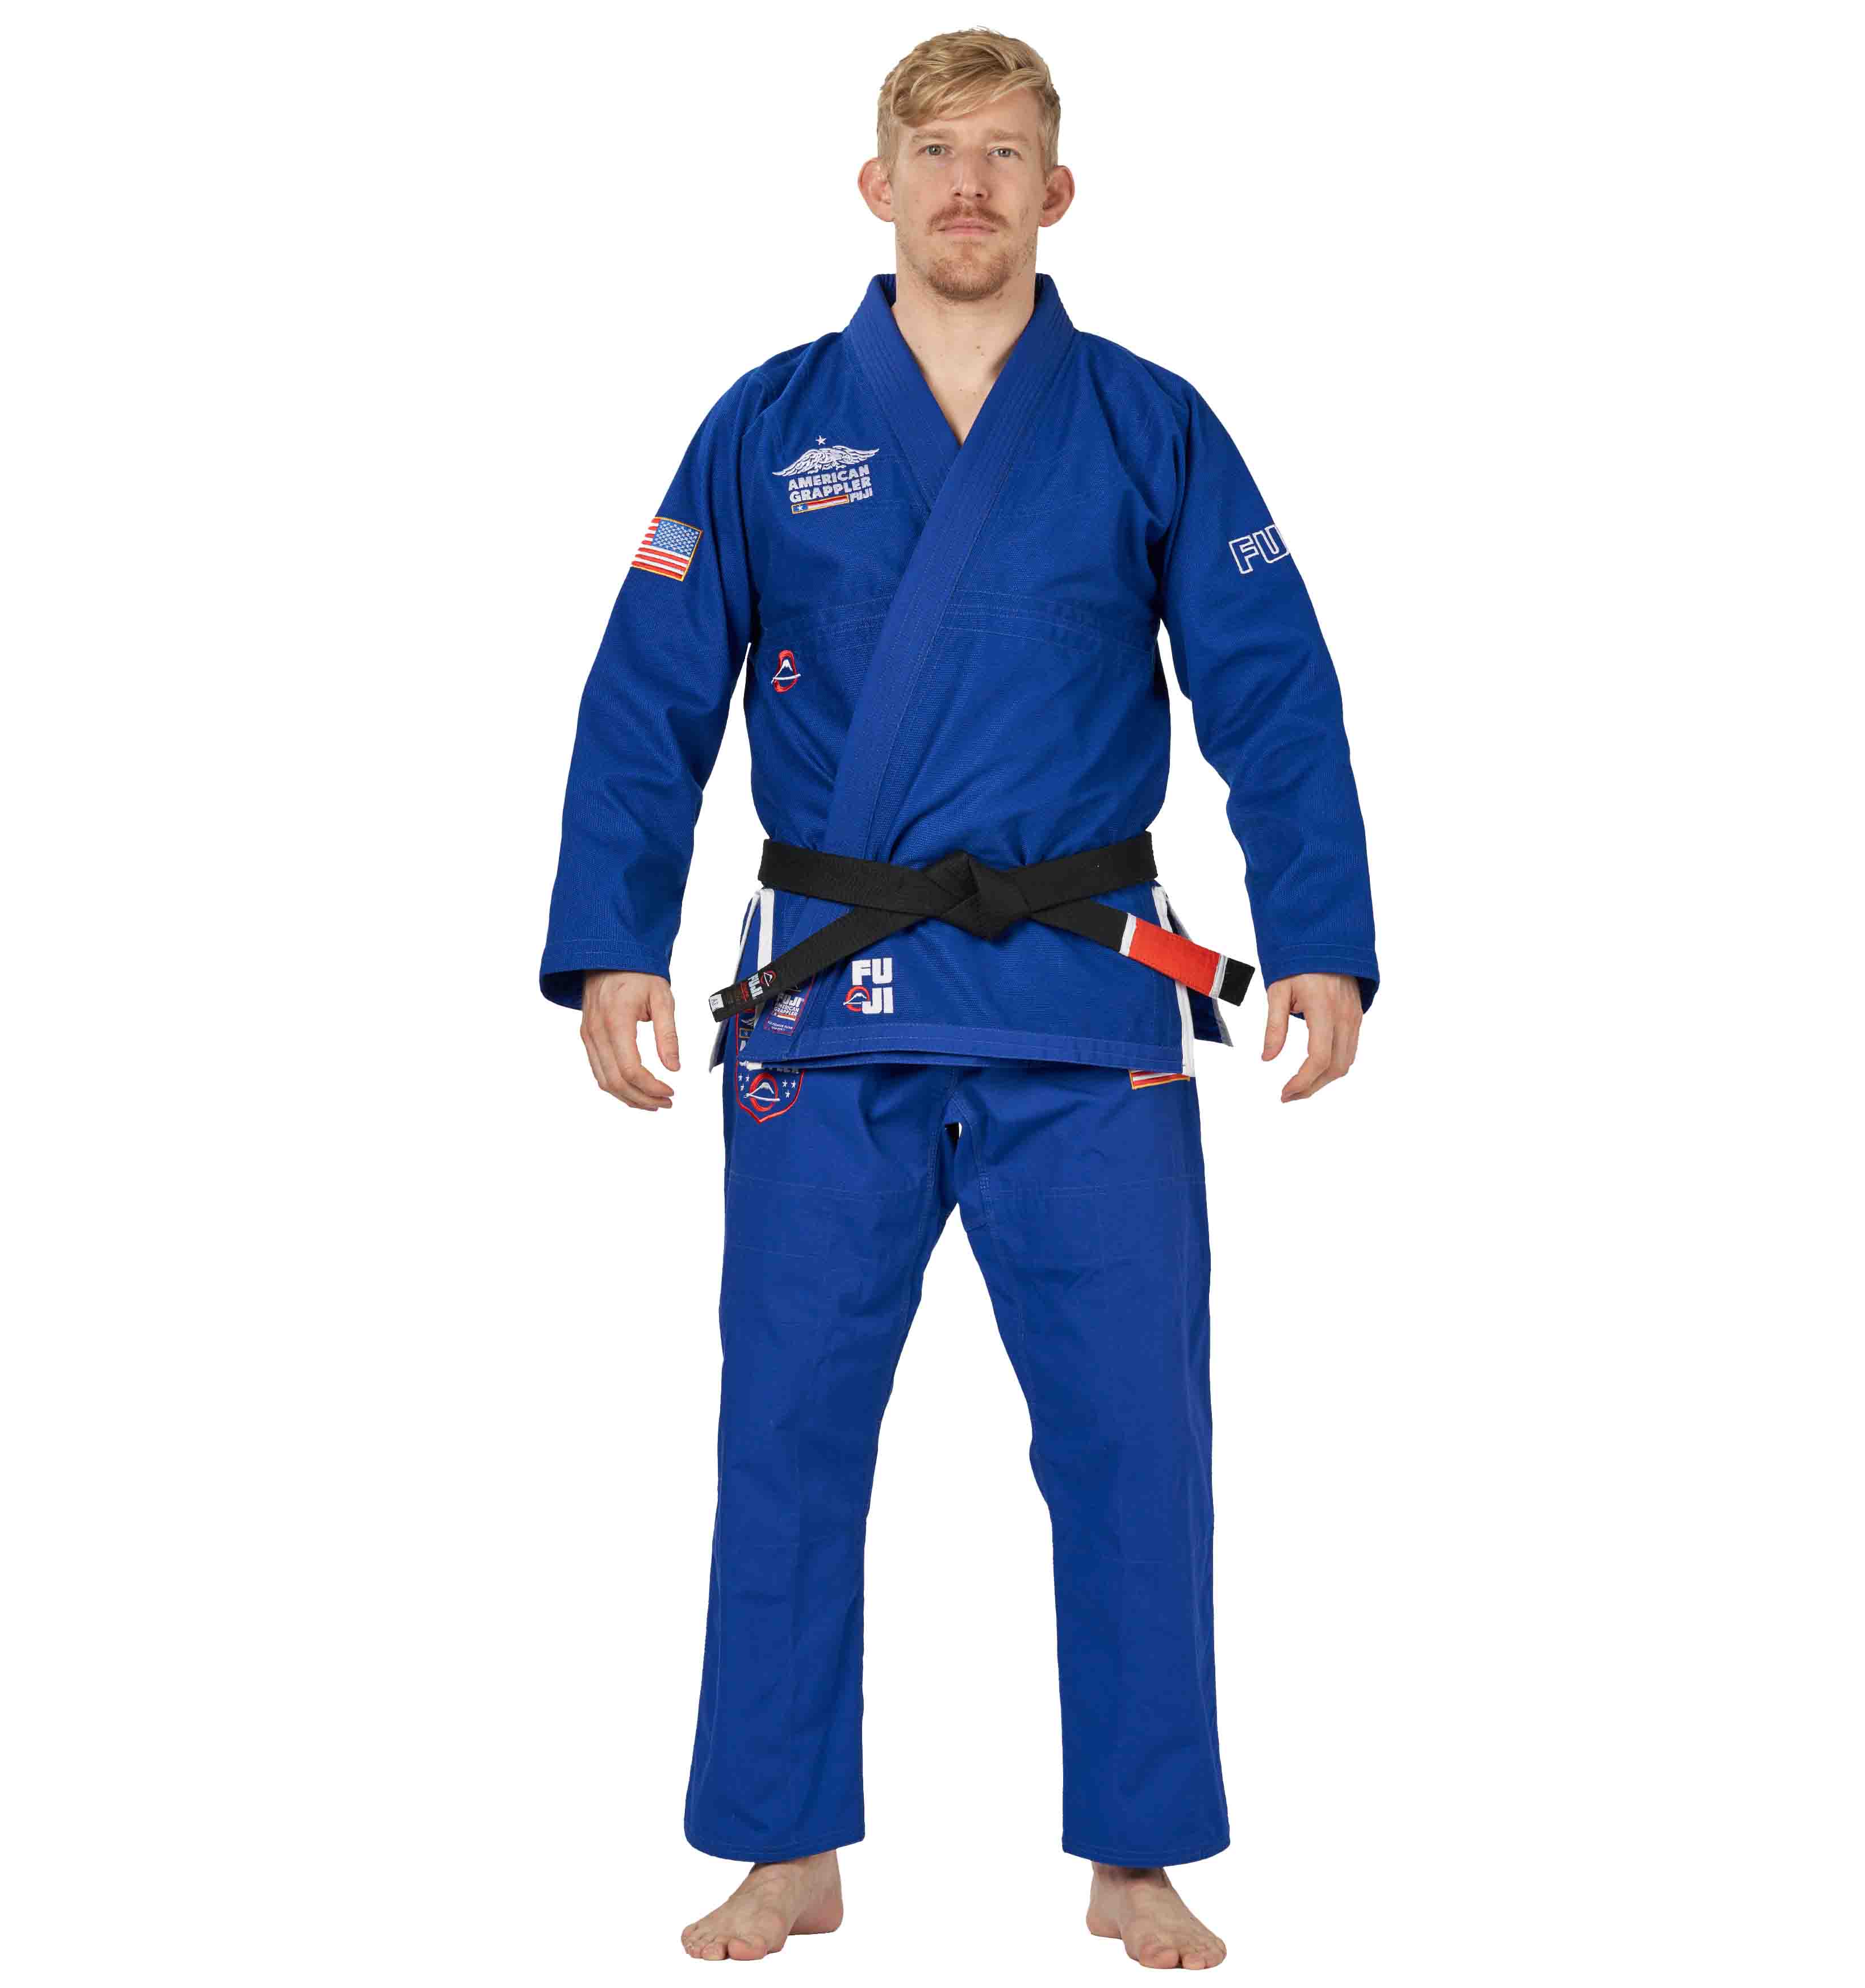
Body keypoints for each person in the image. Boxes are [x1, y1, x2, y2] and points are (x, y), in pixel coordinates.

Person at [540, 27, 1377, 1969]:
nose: (971, 185)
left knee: (1132, 1443)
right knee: (790, 1436)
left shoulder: (1148, 422)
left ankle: (1137, 1851)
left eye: (1008, 153)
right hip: (825, 1015)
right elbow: (648, 689)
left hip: (1087, 1014)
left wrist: (1317, 930)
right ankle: (782, 1843)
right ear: (877, 187)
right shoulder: (765, 425)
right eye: (936, 151)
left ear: (1057, 194)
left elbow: (1269, 681)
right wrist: (610, 937)